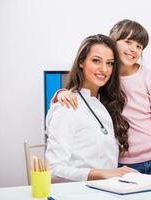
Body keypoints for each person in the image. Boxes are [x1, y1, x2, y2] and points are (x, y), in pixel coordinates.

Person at [52, 20, 151, 175]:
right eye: (128, 42)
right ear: (113, 43)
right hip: (119, 163)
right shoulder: (106, 78)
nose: (134, 49)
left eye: (139, 46)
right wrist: (60, 93)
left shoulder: (148, 78)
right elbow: (83, 90)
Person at [45, 34, 137, 182]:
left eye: (110, 63)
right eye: (96, 61)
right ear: (81, 62)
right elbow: (52, 170)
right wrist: (101, 174)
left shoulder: (104, 104)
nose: (104, 69)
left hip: (109, 190)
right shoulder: (67, 106)